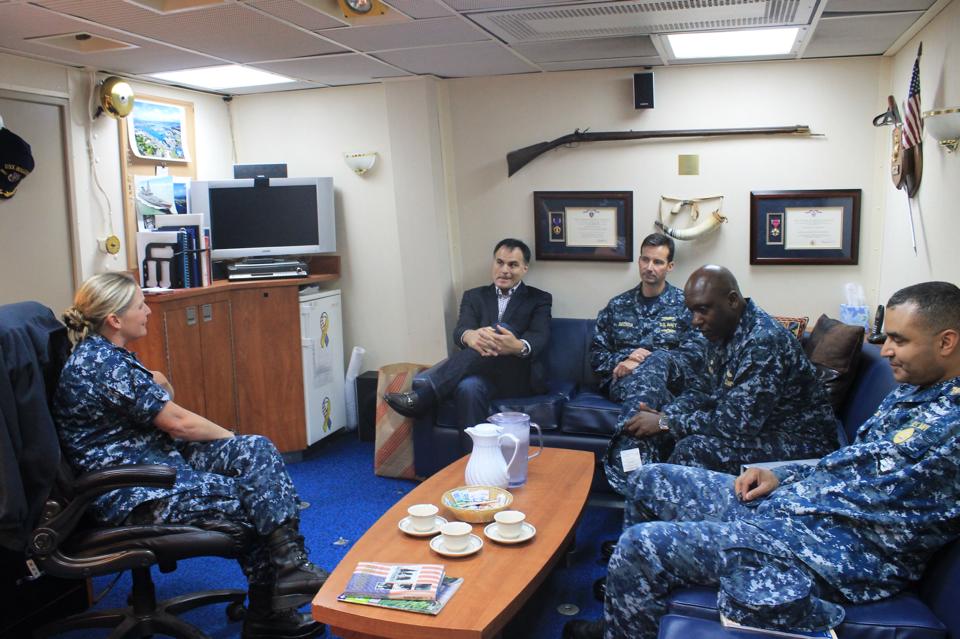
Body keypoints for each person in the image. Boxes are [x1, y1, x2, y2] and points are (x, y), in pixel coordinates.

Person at [564, 280, 960, 639]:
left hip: (837, 550)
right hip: (800, 510)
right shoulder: (914, 391)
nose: (886, 349)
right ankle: (628, 615)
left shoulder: (951, 424)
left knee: (639, 543)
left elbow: (868, 490)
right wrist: (781, 475)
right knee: (650, 479)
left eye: (898, 340)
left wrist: (787, 487)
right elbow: (851, 462)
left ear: (946, 342)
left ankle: (626, 621)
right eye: (885, 337)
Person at [51, 272, 328, 639]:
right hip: (133, 491)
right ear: (114, 320)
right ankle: (268, 612)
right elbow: (178, 422)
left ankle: (291, 566)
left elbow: (158, 396)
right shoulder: (103, 366)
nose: (148, 311)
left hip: (156, 462)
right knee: (250, 496)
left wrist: (231, 441)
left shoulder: (106, 355)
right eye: (140, 306)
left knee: (255, 449)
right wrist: (228, 436)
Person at [603, 264, 839, 495]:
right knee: (658, 431)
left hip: (803, 444)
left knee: (693, 449)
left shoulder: (763, 342)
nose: (695, 320)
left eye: (703, 309)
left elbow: (738, 424)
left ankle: (680, 528)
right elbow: (702, 391)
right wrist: (663, 416)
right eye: (692, 310)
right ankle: (636, 492)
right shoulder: (720, 334)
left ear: (733, 301)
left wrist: (666, 422)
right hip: (761, 430)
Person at [384, 238, 551, 430]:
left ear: (524, 268)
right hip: (481, 374)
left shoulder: (539, 298)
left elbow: (541, 336)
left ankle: (423, 397)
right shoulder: (474, 296)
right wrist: (470, 336)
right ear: (493, 263)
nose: (505, 270)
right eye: (500, 262)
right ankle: (470, 458)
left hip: (517, 375)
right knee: (468, 388)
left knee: (499, 328)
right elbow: (461, 330)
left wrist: (518, 346)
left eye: (513, 265)